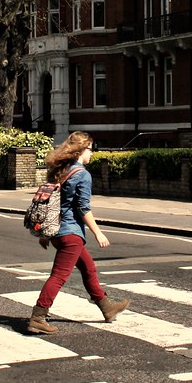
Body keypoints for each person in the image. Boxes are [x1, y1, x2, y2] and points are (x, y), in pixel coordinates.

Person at [27, 131, 130, 334]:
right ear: (82, 150)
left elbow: (54, 204)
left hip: (58, 231)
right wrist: (98, 233)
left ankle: (107, 307)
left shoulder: (61, 170)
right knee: (58, 276)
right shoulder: (82, 174)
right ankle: (38, 317)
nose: (92, 154)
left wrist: (47, 234)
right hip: (70, 233)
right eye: (91, 149)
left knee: (88, 268)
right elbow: (83, 208)